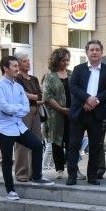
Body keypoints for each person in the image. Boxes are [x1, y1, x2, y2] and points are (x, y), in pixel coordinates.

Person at [0, 56, 51, 200]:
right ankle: (10, 190)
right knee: (7, 160)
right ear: (5, 68)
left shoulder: (18, 87)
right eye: (14, 66)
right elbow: (5, 108)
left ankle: (37, 176)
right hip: (4, 128)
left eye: (16, 66)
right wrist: (18, 108)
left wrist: (17, 108)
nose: (17, 68)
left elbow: (26, 108)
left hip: (18, 126)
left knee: (37, 145)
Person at [67, 40, 106, 186]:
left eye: (97, 50)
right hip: (79, 112)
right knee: (74, 145)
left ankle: (92, 176)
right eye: (92, 50)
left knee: (95, 146)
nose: (94, 52)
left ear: (101, 52)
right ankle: (72, 176)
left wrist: (96, 101)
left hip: (97, 113)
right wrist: (86, 99)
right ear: (87, 52)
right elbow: (73, 87)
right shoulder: (78, 68)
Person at [12, 52, 44, 183]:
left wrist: (33, 97)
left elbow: (41, 95)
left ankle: (35, 173)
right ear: (18, 64)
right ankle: (21, 173)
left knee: (37, 141)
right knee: (22, 143)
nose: (28, 63)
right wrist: (34, 97)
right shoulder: (17, 78)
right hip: (23, 112)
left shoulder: (34, 78)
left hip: (36, 111)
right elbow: (20, 94)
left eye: (28, 60)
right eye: (25, 61)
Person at [42, 48, 71, 178]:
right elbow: (47, 96)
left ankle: (73, 168)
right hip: (55, 115)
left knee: (72, 142)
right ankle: (59, 169)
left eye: (67, 60)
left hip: (72, 113)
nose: (65, 62)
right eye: (63, 60)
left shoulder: (72, 74)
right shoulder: (50, 76)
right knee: (57, 142)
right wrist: (61, 109)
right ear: (56, 60)